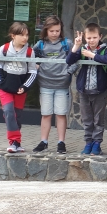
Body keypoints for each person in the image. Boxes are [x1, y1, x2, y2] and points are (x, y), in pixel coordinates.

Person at [65, 23, 107, 155]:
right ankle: (88, 143)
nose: (91, 40)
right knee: (87, 119)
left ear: (100, 37)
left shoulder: (104, 49)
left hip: (99, 91)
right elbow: (69, 60)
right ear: (85, 38)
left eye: (94, 37)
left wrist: (92, 55)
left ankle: (97, 144)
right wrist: (76, 46)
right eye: (88, 38)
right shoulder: (83, 49)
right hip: (84, 91)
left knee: (98, 119)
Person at [32, 15, 77, 154]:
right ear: (46, 30)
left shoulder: (67, 43)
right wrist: (37, 69)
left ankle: (61, 142)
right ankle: (43, 141)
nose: (55, 33)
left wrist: (68, 72)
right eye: (52, 31)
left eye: (57, 30)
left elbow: (76, 59)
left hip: (62, 85)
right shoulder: (40, 45)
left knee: (61, 114)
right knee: (46, 114)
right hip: (45, 84)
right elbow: (32, 58)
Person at [0, 22, 37, 153]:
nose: (25, 38)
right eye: (22, 35)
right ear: (13, 35)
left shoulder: (30, 52)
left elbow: (33, 71)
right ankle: (14, 141)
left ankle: (17, 143)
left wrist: (25, 86)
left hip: (20, 90)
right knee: (8, 111)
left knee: (16, 116)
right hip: (4, 89)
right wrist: (1, 82)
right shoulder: (4, 48)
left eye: (27, 35)